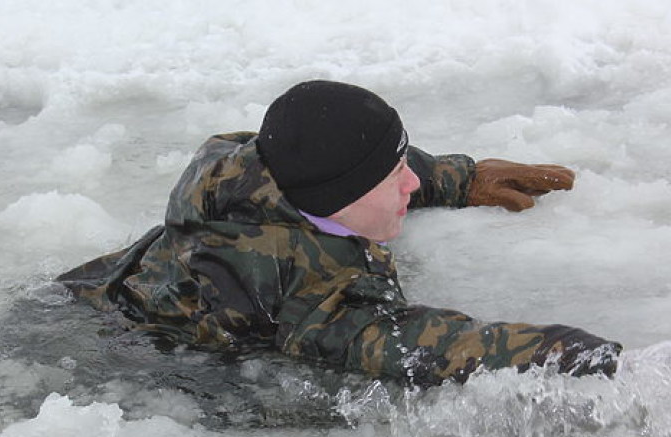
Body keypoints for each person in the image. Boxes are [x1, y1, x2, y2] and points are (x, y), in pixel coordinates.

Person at [58, 80, 621, 387]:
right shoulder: (310, 297)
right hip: (102, 356)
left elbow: (357, 167)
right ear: (339, 199)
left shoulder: (257, 171)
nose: (410, 185)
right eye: (395, 177)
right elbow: (430, 346)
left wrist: (461, 178)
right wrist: (580, 354)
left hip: (96, 288)